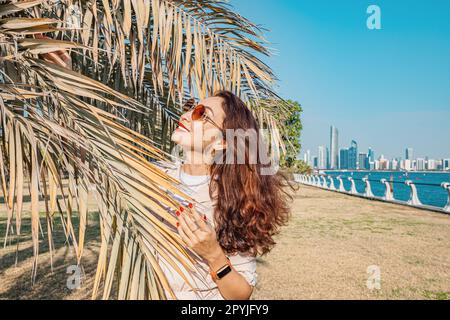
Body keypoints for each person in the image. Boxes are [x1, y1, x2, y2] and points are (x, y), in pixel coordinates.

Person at [158, 91, 292, 299]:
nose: (185, 116)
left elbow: (240, 295)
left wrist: (214, 254)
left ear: (222, 142)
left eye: (202, 114)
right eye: (190, 108)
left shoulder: (233, 201)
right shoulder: (153, 177)